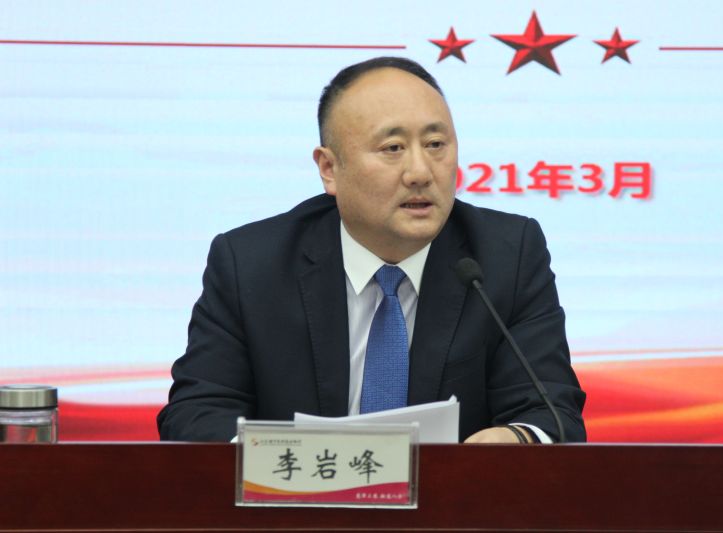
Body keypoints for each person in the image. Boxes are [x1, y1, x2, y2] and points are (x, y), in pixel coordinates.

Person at [157, 57, 586, 444]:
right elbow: (196, 414)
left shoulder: (506, 256)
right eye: (393, 148)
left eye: (436, 145)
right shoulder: (250, 264)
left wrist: (516, 439)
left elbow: (552, 414)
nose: (420, 172)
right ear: (329, 168)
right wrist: (270, 465)